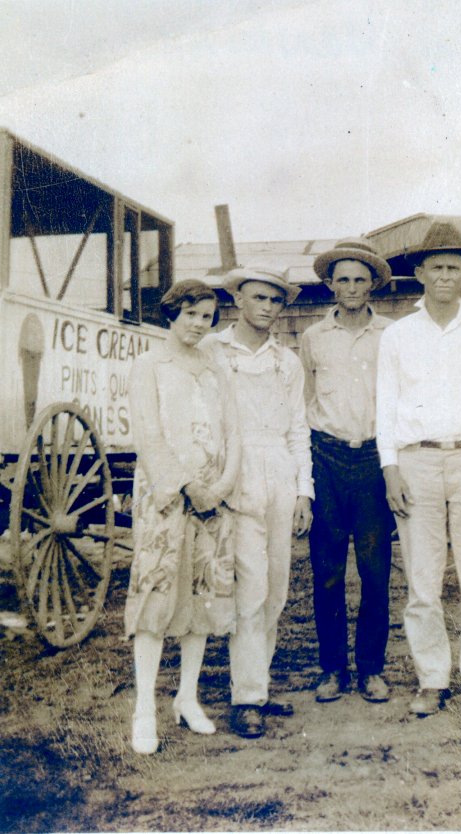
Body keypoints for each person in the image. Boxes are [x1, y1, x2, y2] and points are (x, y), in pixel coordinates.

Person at [376, 222, 461, 718]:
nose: (445, 276)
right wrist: (390, 467)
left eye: (454, 268)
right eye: (436, 267)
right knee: (422, 581)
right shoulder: (397, 335)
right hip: (417, 462)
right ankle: (432, 679)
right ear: (419, 272)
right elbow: (385, 408)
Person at [125, 280, 241, 754]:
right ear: (171, 313)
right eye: (191, 314)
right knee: (156, 595)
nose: (198, 324)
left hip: (213, 499)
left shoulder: (217, 368)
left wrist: (220, 486)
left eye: (207, 317)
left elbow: (234, 434)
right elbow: (148, 432)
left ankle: (188, 697)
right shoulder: (149, 365)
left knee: (203, 597)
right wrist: (185, 485)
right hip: (165, 497)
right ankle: (144, 710)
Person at [204, 266, 313, 739]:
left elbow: (298, 430)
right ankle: (245, 698)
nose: (267, 307)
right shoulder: (212, 352)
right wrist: (215, 481)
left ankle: (258, 685)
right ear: (238, 299)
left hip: (279, 474)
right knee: (247, 591)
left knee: (275, 588)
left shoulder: (285, 362)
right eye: (258, 298)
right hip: (235, 471)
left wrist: (303, 491)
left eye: (275, 300)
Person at [300, 238, 395, 703]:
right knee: (328, 572)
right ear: (330, 285)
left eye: (361, 279)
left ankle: (372, 670)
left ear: (373, 284)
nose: (352, 287)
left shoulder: (392, 335)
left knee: (376, 572)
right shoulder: (314, 338)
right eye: (343, 279)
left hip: (375, 460)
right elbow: (304, 402)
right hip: (328, 459)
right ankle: (332, 669)